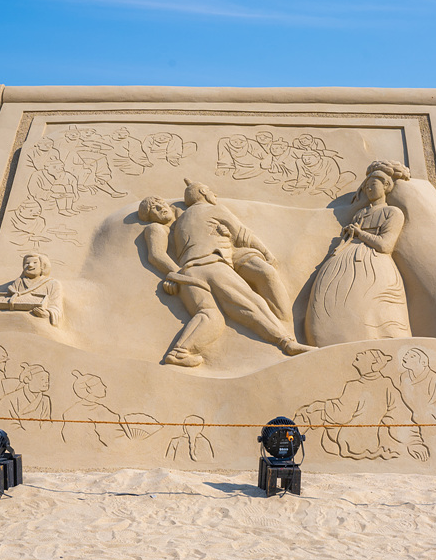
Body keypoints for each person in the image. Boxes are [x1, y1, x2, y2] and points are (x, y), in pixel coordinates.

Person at [138, 180, 310, 367]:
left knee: (210, 316)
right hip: (212, 266)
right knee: (252, 304)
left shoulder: (181, 220)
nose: (215, 195)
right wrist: (267, 253)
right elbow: (156, 256)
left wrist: (178, 276)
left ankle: (180, 351)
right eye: (154, 209)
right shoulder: (192, 215)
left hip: (192, 272)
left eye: (160, 203)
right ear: (204, 192)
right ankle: (287, 342)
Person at [305, 160, 412, 346]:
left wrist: (360, 233)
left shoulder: (392, 213)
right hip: (346, 261)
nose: (369, 190)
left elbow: (386, 246)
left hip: (374, 265)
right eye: (367, 187)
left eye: (373, 185)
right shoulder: (360, 214)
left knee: (371, 305)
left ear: (386, 186)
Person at [295, 349, 401, 460]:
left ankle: (286, 445)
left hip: (349, 439)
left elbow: (342, 413)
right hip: (371, 442)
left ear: (373, 363)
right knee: (316, 413)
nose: (359, 353)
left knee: (308, 413)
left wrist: (319, 405)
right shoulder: (387, 383)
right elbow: (398, 411)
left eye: (364, 353)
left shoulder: (355, 385)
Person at [394, 347, 436, 461]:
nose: (406, 357)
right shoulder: (404, 376)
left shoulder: (435, 379)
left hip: (429, 421)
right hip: (409, 421)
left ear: (423, 362)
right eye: (406, 354)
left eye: (412, 356)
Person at [3, 253, 64, 326]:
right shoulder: (18, 282)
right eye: (27, 263)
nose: (30, 265)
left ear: (42, 266)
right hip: (14, 322)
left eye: (35, 263)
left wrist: (47, 313)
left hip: (39, 326)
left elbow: (56, 308)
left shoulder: (52, 284)